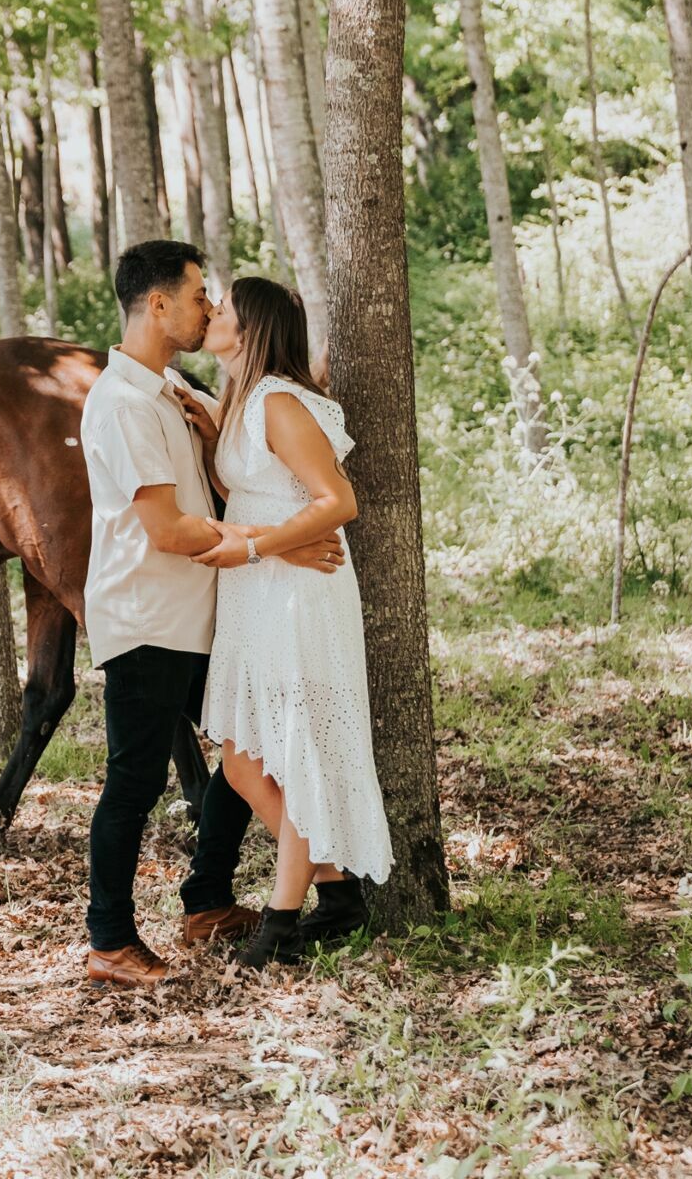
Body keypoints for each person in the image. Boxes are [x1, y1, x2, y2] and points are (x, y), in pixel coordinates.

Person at [77, 242, 347, 988]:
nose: (208, 306)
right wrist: (273, 547)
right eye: (200, 294)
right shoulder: (124, 403)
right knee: (134, 780)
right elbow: (166, 529)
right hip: (149, 615)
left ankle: (209, 901)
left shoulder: (166, 389)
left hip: (205, 614)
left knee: (244, 753)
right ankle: (110, 940)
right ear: (157, 305)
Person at [184, 276, 395, 969]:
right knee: (245, 763)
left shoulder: (277, 399)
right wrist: (207, 422)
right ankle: (336, 892)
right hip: (257, 592)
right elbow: (259, 485)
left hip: (299, 589)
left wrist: (253, 545)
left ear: (249, 329)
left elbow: (339, 500)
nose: (209, 313)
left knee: (296, 748)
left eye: (220, 309)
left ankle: (280, 922)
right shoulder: (241, 398)